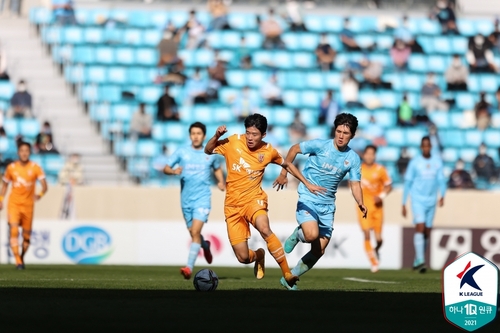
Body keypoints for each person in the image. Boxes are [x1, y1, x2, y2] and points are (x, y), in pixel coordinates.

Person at [204, 114, 325, 289]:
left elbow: (287, 164)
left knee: (265, 228)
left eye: (255, 134)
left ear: (264, 135)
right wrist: (216, 136)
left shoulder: (269, 151)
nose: (250, 138)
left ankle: (287, 273)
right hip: (232, 206)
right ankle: (259, 255)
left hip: (254, 200)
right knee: (243, 257)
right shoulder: (233, 142)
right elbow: (208, 150)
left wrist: (306, 183)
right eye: (248, 133)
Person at [273, 113, 368, 290]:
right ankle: (298, 235)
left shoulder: (353, 158)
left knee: (319, 250)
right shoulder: (320, 145)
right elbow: (294, 149)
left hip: (327, 205)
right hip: (308, 197)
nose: (341, 136)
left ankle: (289, 278)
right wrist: (283, 174)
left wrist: (360, 202)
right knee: (310, 235)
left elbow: (355, 185)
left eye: (345, 133)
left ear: (352, 135)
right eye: (338, 131)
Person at [164, 122, 225, 279]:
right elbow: (166, 168)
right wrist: (172, 171)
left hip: (202, 199)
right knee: (193, 233)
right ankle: (205, 245)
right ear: (190, 135)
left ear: (204, 136)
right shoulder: (182, 152)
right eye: (193, 133)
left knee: (196, 231)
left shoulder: (209, 153)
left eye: (199, 133)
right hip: (186, 200)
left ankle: (189, 268)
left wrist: (220, 181)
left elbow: (217, 168)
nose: (196, 136)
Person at [0, 142, 48, 269]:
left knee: (26, 237)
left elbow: (45, 185)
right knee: (14, 230)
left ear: (30, 152)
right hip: (14, 204)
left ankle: (21, 257)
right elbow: (5, 185)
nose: (24, 153)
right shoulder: (11, 167)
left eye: (27, 150)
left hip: (28, 206)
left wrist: (40, 194)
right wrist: (1, 199)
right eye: (22, 150)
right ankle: (18, 261)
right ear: (18, 152)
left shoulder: (35, 167)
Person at [402, 136, 446, 273]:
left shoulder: (437, 162)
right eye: (424, 145)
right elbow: (408, 183)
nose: (426, 148)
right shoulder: (415, 163)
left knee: (427, 231)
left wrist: (443, 195)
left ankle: (418, 259)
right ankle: (421, 260)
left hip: (431, 200)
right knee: (420, 227)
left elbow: (441, 180)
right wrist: (403, 203)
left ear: (430, 147)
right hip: (417, 200)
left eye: (428, 145)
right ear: (421, 147)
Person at [357, 145, 392, 272]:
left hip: (377, 207)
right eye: (367, 153)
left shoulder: (380, 170)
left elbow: (389, 186)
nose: (369, 156)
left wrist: (381, 196)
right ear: (364, 155)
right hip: (364, 207)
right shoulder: (358, 168)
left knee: (378, 239)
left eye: (372, 154)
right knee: (366, 234)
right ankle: (374, 262)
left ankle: (376, 249)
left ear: (375, 156)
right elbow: (353, 183)